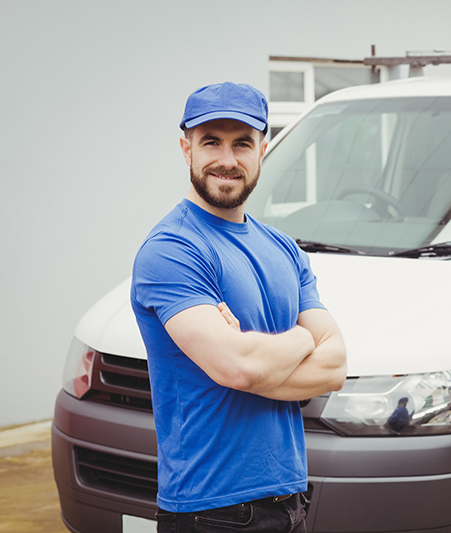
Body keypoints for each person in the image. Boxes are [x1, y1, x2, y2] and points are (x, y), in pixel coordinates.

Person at [130, 82, 347, 533]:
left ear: (262, 150)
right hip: (212, 511)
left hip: (290, 501)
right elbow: (239, 369)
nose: (227, 160)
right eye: (211, 141)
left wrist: (256, 358)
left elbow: (335, 368)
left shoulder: (284, 249)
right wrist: (305, 339)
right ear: (186, 148)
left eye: (242, 143)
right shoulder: (173, 249)